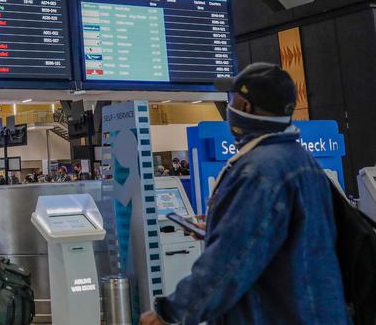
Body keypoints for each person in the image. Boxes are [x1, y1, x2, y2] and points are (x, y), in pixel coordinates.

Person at [140, 63, 348, 325]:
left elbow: (229, 262)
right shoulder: (302, 160)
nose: (230, 108)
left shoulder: (259, 170)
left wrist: (171, 312)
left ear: (246, 108)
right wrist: (217, 225)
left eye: (233, 99)